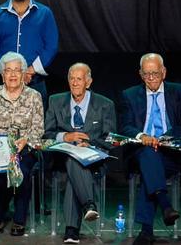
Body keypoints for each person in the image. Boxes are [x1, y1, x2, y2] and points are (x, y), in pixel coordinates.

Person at [119, 53, 181, 245]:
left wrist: (165, 138)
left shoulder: (180, 92)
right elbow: (125, 126)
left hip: (170, 154)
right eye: (146, 74)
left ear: (164, 72)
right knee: (147, 154)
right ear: (140, 74)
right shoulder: (129, 95)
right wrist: (143, 137)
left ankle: (146, 231)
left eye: (155, 73)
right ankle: (165, 204)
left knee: (150, 172)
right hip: (140, 151)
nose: (151, 78)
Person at [44, 63, 116, 244]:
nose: (75, 83)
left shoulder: (105, 104)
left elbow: (110, 139)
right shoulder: (55, 100)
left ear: (88, 82)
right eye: (72, 79)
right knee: (73, 159)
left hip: (94, 160)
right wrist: (65, 137)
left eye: (79, 79)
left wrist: (89, 142)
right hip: (62, 159)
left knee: (74, 169)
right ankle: (88, 205)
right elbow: (47, 134)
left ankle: (71, 230)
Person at [0, 52, 45, 235]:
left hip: (24, 149)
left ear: (23, 74)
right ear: (2, 74)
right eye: (8, 71)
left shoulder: (34, 96)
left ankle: (19, 219)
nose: (13, 75)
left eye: (17, 70)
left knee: (21, 170)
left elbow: (39, 129)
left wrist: (26, 140)